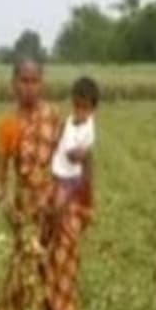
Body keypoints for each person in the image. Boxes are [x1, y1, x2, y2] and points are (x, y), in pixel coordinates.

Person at [0, 58, 96, 310]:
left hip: (60, 212)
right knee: (31, 286)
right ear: (13, 83)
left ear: (43, 83)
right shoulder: (7, 126)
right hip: (27, 218)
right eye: (23, 80)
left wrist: (70, 202)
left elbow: (75, 163)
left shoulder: (56, 121)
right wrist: (7, 205)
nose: (29, 87)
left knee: (60, 285)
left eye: (35, 81)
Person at [51, 77, 99, 214]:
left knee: (62, 206)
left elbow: (75, 156)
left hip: (72, 176)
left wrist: (80, 155)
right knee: (55, 205)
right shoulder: (70, 121)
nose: (80, 111)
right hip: (58, 171)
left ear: (93, 109)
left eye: (85, 108)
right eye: (77, 106)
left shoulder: (89, 129)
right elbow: (61, 133)